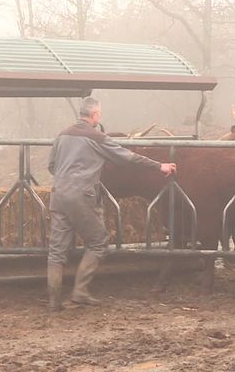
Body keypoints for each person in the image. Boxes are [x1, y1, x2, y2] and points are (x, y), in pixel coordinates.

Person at [47, 97, 177, 311]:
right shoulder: (96, 137)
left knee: (56, 250)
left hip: (58, 194)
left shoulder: (62, 135)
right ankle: (80, 291)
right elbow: (128, 157)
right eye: (100, 113)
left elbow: (52, 166)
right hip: (82, 195)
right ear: (95, 115)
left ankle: (53, 301)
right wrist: (159, 166)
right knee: (98, 242)